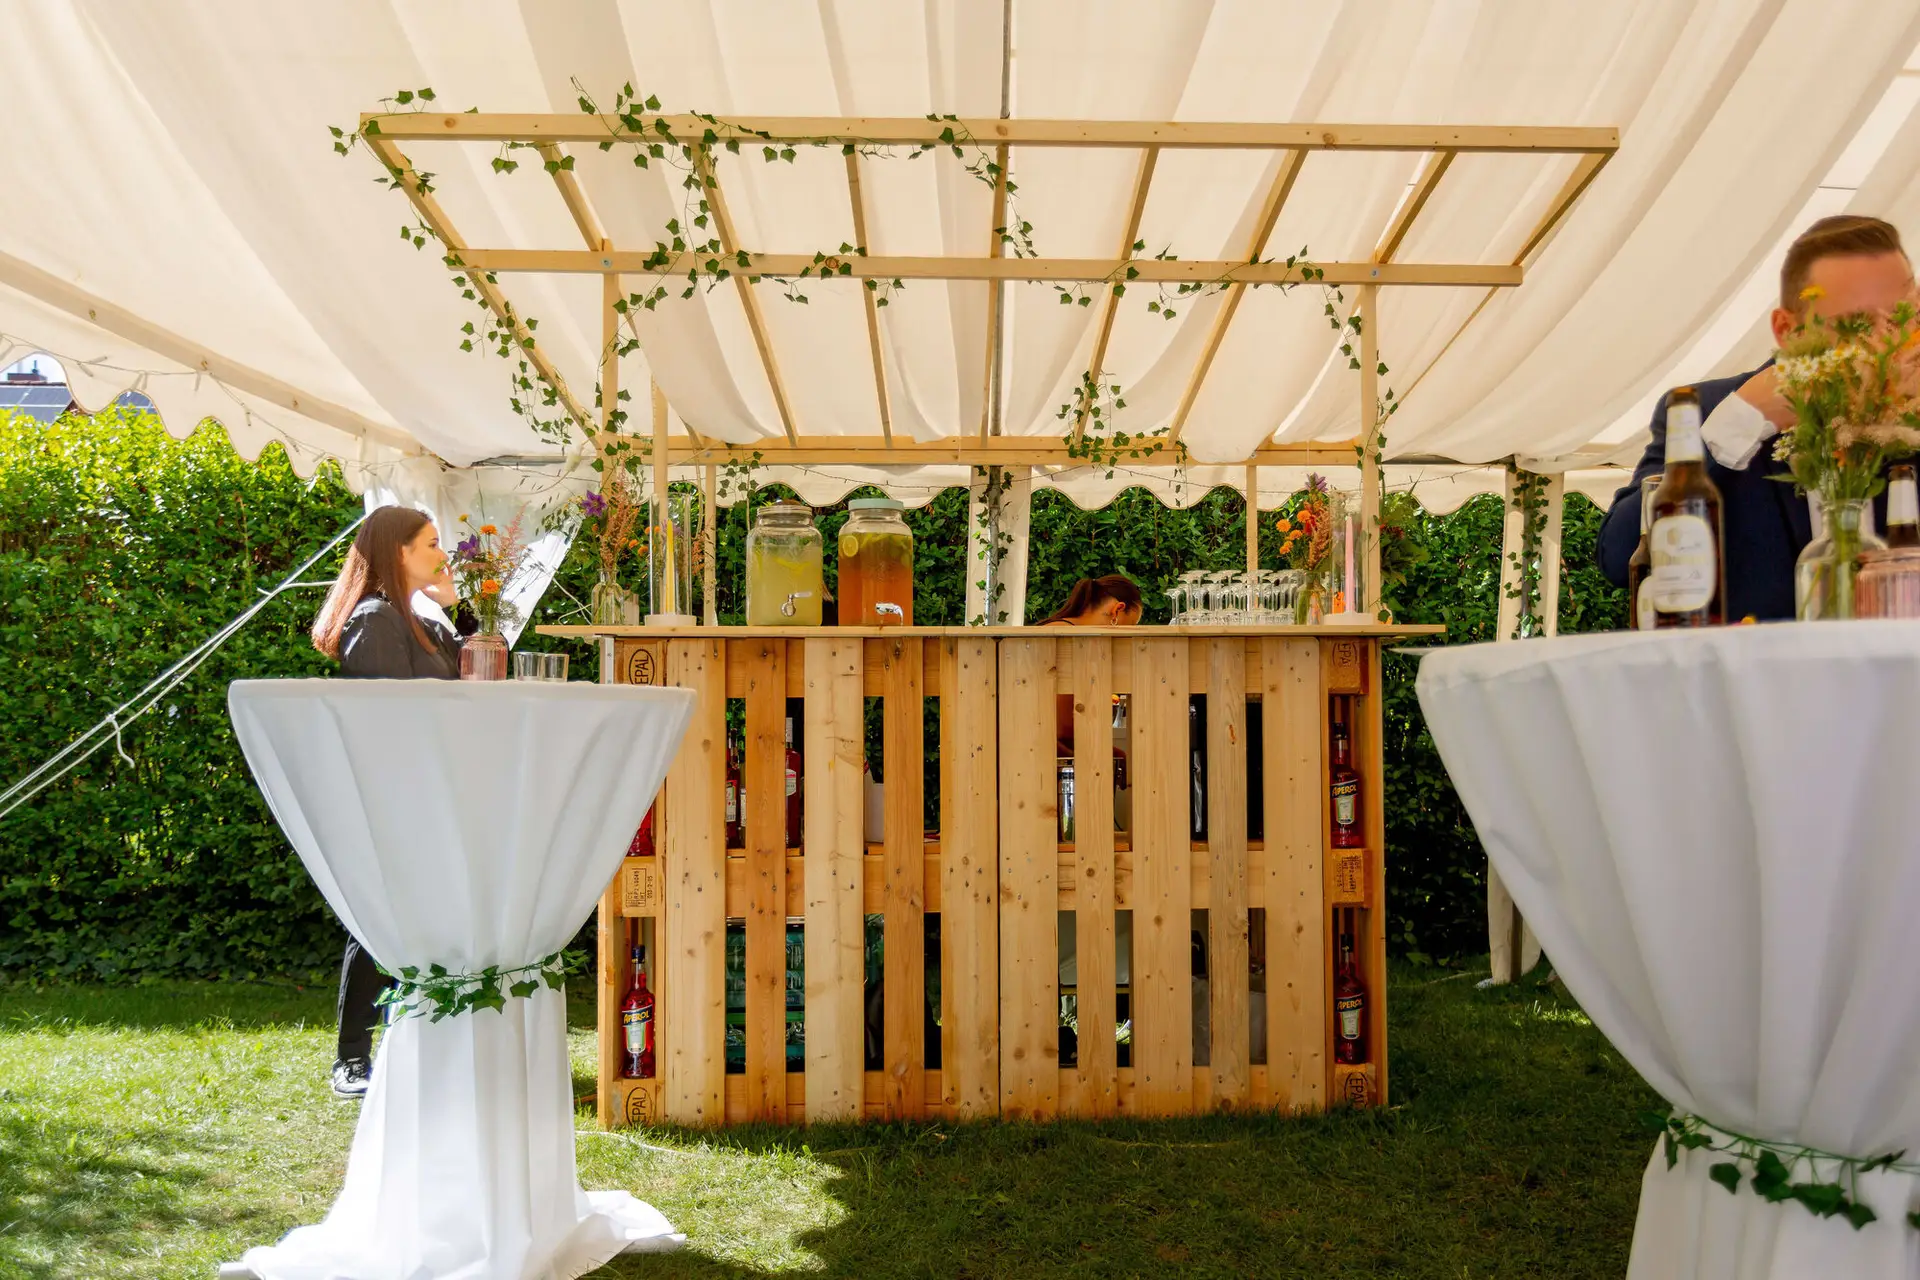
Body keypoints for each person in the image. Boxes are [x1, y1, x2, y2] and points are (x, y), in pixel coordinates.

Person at [1599, 215, 1916, 620]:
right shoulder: (1702, 411)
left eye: (1903, 319)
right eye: (1857, 324)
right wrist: (1740, 421)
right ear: (1788, 330)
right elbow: (1618, 557)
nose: (1887, 343)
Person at [308, 505, 464, 1098]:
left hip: (432, 788)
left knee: (427, 918)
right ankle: (352, 1058)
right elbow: (389, 722)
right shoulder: (375, 620)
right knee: (377, 923)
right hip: (394, 794)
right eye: (430, 543)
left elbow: (473, 678)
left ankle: (421, 1043)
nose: (441, 552)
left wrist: (452, 605)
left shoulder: (417, 617)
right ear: (399, 551)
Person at [1039, 575, 1144, 757]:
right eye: (1131, 626)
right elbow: (1063, 729)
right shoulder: (1069, 640)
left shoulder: (1052, 630)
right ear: (1117, 611)